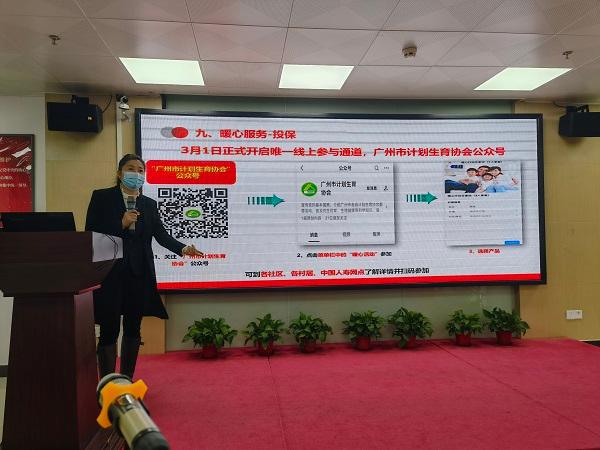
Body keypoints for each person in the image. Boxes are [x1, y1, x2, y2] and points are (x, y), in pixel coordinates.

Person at [86, 154, 202, 379]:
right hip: (110, 272)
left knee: (133, 327)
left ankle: (126, 378)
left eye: (140, 171)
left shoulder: (148, 204)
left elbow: (161, 235)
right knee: (109, 328)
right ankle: (108, 382)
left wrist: (183, 248)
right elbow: (91, 231)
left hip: (138, 273)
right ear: (119, 173)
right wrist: (121, 223)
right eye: (131, 169)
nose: (136, 174)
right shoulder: (102, 197)